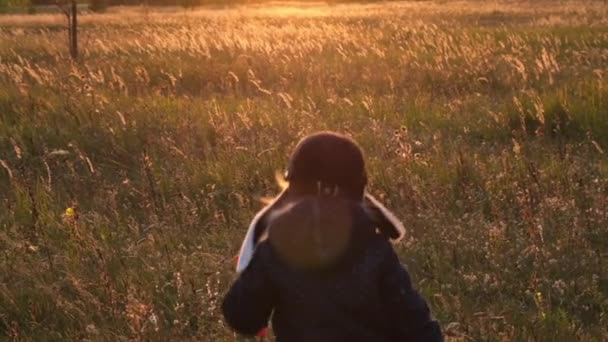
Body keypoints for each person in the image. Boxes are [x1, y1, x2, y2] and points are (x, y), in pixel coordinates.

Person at [222, 132, 443, 341]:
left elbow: (243, 319)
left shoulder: (277, 249)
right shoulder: (375, 248)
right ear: (359, 190)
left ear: (293, 189)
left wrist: (251, 275)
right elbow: (416, 324)